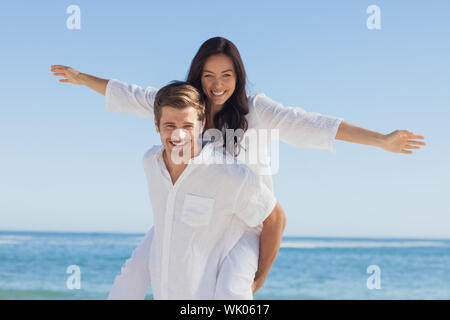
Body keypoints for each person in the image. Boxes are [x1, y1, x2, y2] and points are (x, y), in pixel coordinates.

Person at [50, 36, 426, 295]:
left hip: (245, 222)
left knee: (231, 292)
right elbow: (134, 95)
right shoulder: (185, 106)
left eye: (226, 75)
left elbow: (310, 123)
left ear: (238, 76)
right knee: (134, 274)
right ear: (197, 75)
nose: (217, 84)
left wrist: (381, 139)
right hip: (189, 212)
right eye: (208, 75)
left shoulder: (256, 109)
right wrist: (83, 79)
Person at [110, 81, 279, 299]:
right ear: (156, 125)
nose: (178, 135)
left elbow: (275, 219)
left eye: (187, 126)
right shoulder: (150, 162)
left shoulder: (228, 173)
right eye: (169, 126)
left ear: (201, 125)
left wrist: (259, 278)